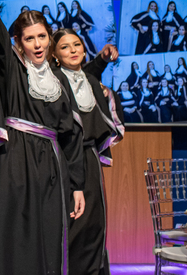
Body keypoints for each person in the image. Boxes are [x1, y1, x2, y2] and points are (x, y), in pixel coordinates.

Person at [0, 0, 84, 275]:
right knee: (16, 236)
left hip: (51, 165)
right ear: (19, 42)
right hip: (14, 159)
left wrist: (77, 186)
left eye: (42, 36)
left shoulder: (59, 79)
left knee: (49, 233)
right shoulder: (12, 67)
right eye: (30, 38)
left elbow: (71, 136)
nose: (38, 44)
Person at [51, 32, 124, 275]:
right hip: (63, 160)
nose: (73, 50)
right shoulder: (53, 80)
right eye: (65, 47)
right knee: (71, 223)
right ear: (55, 54)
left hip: (89, 160)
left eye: (77, 44)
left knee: (93, 223)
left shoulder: (90, 80)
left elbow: (88, 72)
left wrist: (102, 59)